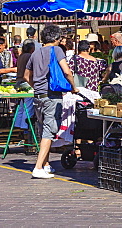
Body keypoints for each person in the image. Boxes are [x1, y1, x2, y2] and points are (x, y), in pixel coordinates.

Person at [24, 24, 78, 179]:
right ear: (55, 38)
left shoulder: (35, 53)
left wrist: (36, 87)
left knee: (42, 130)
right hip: (52, 96)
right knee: (49, 131)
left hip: (38, 96)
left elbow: (27, 76)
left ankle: (46, 164)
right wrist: (73, 87)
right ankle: (38, 167)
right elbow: (67, 71)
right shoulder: (57, 50)